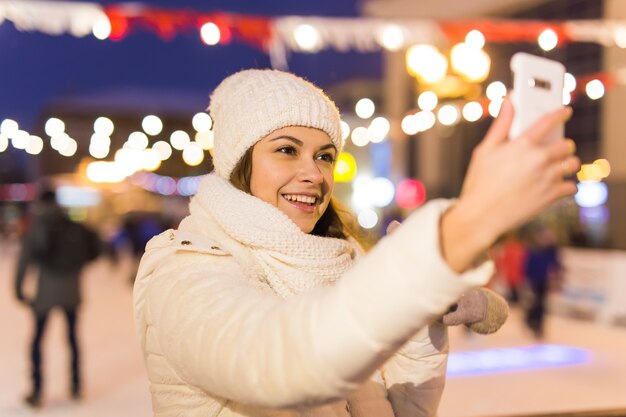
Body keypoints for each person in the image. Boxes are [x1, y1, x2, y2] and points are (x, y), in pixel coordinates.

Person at [133, 69, 579, 416]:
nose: (314, 173)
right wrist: (463, 227)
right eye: (287, 150)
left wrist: (419, 325)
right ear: (239, 162)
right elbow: (284, 361)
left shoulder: (340, 261)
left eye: (324, 156)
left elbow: (404, 410)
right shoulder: (185, 267)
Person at [14, 189, 101, 407]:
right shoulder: (71, 223)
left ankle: (37, 390)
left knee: (37, 340)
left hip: (46, 293)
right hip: (72, 291)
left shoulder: (38, 226)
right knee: (72, 338)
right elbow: (95, 249)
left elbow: (24, 261)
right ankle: (76, 385)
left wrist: (18, 289)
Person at [523, 224, 563, 338]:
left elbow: (556, 264)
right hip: (534, 280)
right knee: (535, 302)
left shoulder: (551, 251)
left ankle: (538, 326)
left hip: (545, 281)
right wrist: (526, 279)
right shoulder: (534, 251)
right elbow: (528, 266)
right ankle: (531, 321)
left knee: (541, 303)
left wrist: (557, 277)